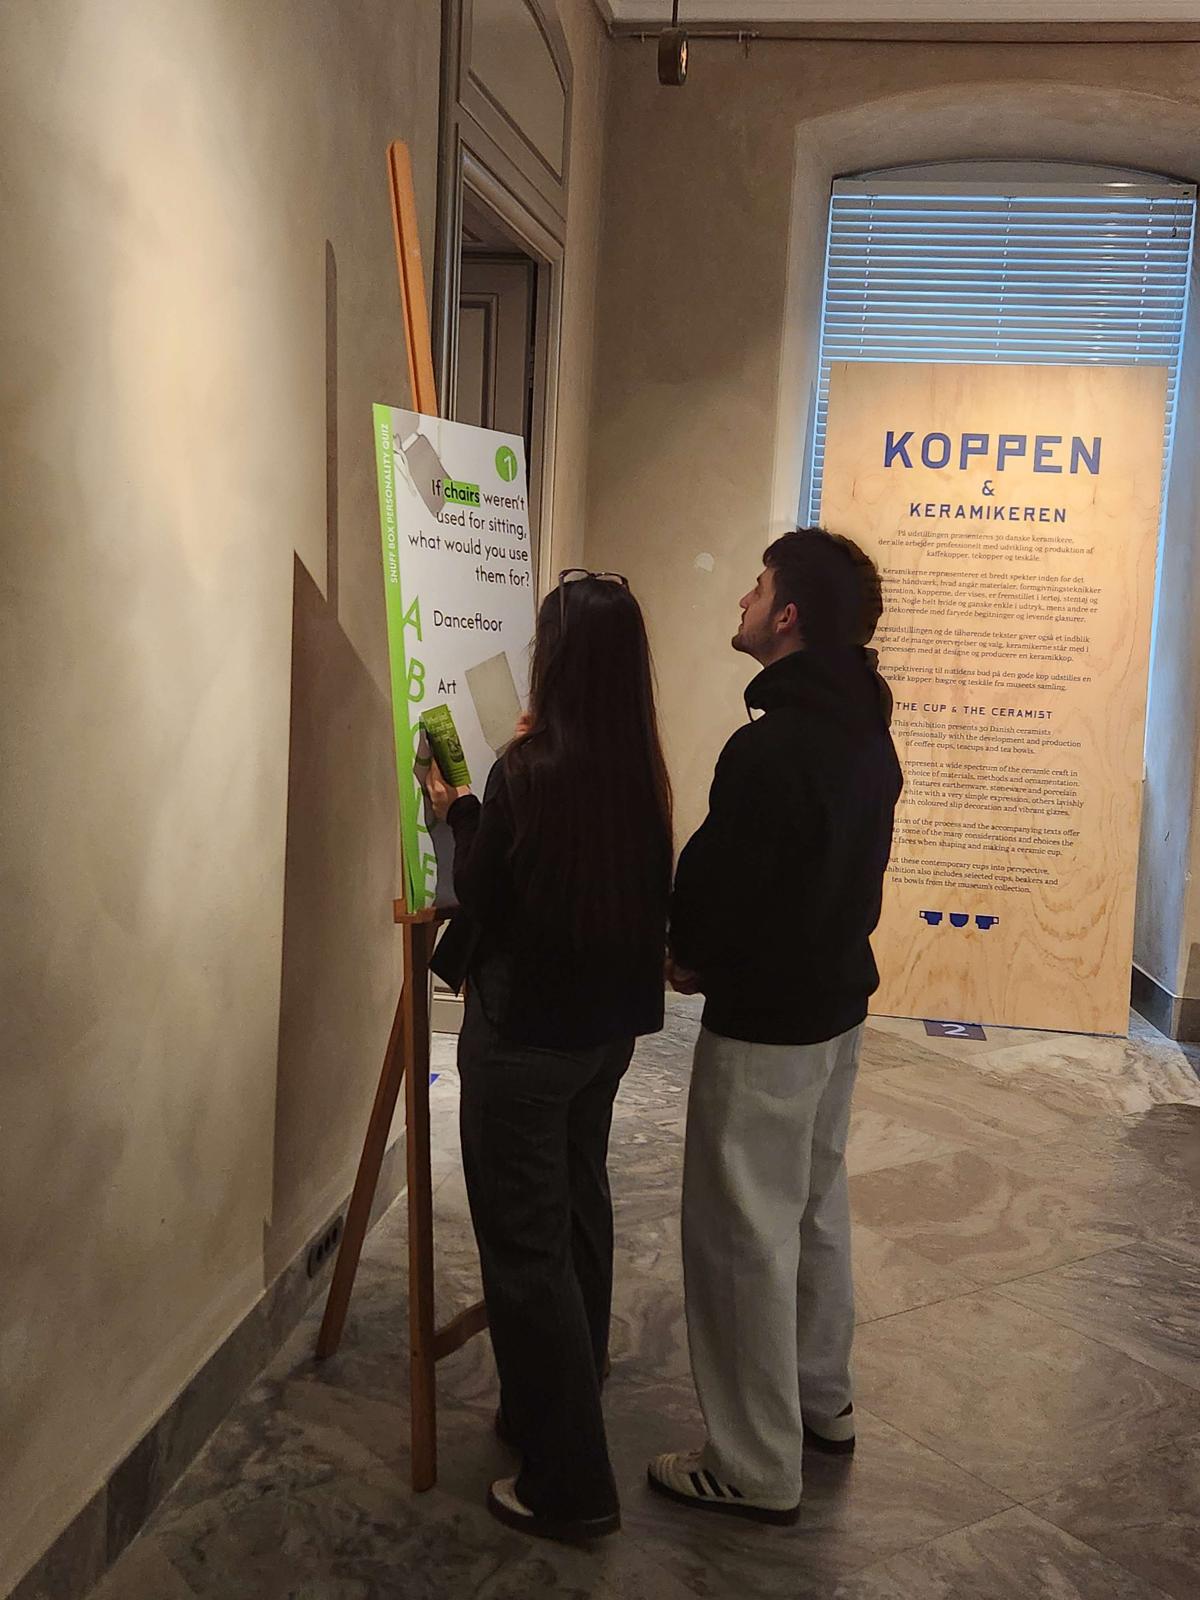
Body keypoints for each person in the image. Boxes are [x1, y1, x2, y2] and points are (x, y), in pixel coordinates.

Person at [648, 528, 902, 1525]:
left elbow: (727, 884)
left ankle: (753, 1464)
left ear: (788, 614)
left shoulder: (771, 746)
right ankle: (819, 1399)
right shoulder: (864, 729)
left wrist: (691, 953)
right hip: (836, 1007)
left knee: (741, 1235)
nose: (742, 601)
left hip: (767, 1024)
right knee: (811, 1205)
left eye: (755, 588)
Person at [426, 571, 673, 1544]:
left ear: (555, 662)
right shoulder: (638, 768)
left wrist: (458, 806)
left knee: (525, 1248)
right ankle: (561, 1396)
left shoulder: (528, 770)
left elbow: (485, 891)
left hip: (526, 1037)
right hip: (603, 1036)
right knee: (577, 1208)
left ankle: (571, 1484)